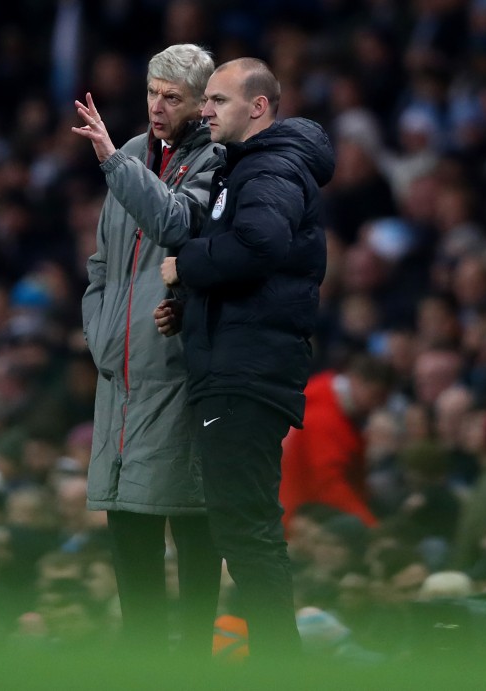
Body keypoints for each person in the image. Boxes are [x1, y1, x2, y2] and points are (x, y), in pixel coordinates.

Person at [159, 57, 336, 658]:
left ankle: (280, 664)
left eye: (216, 100)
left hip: (245, 372)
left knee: (247, 528)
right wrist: (191, 304)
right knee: (242, 525)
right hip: (241, 362)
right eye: (204, 100)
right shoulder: (254, 167)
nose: (203, 111)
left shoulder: (269, 167)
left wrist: (186, 267)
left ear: (257, 107)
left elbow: (262, 244)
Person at [74, 43, 223, 656]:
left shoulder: (218, 161)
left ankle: (192, 667)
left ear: (201, 104)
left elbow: (177, 225)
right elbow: (102, 264)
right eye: (151, 93)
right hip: (120, 383)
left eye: (172, 98)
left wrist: (112, 161)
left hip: (176, 377)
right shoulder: (134, 155)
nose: (156, 107)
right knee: (129, 546)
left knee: (192, 533)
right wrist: (99, 332)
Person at [279, 355, 397, 531]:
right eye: (375, 395)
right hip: (300, 519)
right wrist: (370, 525)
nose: (378, 405)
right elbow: (328, 484)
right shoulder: (324, 419)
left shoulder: (325, 400)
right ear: (356, 381)